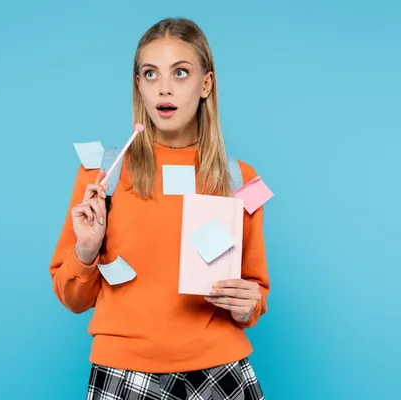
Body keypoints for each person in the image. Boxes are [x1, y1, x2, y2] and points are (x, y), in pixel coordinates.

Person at [49, 17, 269, 400]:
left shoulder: (240, 178)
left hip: (220, 370)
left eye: (180, 73)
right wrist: (85, 251)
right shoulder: (102, 175)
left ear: (206, 84)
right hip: (125, 371)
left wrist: (249, 303)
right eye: (150, 74)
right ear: (138, 85)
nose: (164, 88)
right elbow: (73, 299)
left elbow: (255, 293)